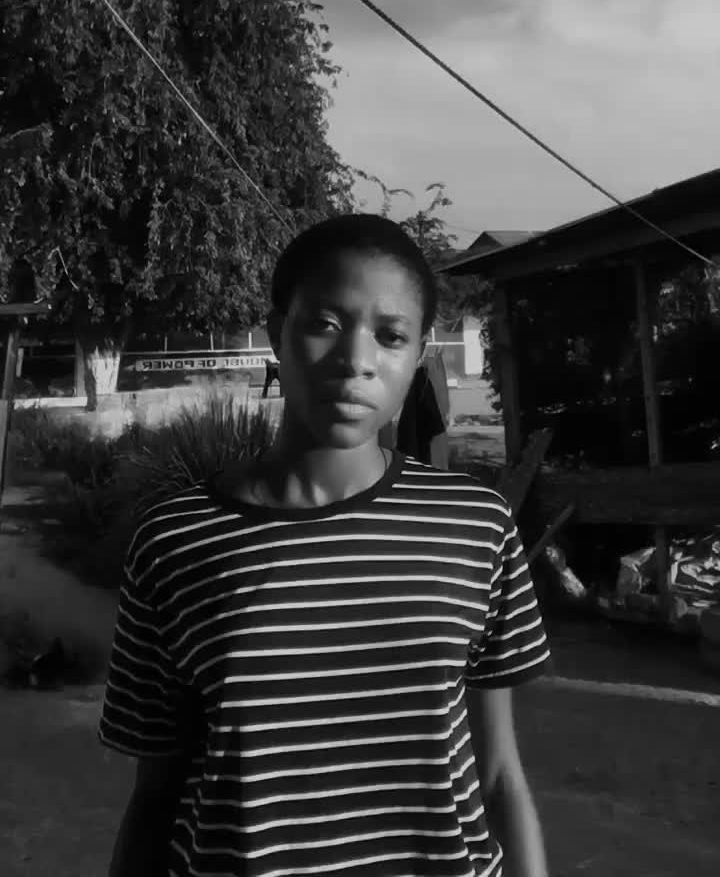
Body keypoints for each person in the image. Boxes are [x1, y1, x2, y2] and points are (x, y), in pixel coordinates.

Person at [100, 213, 550, 877]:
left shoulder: (474, 526)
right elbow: (154, 798)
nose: (355, 362)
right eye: (325, 324)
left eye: (390, 336)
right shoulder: (177, 542)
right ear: (275, 331)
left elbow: (499, 774)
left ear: (418, 355)